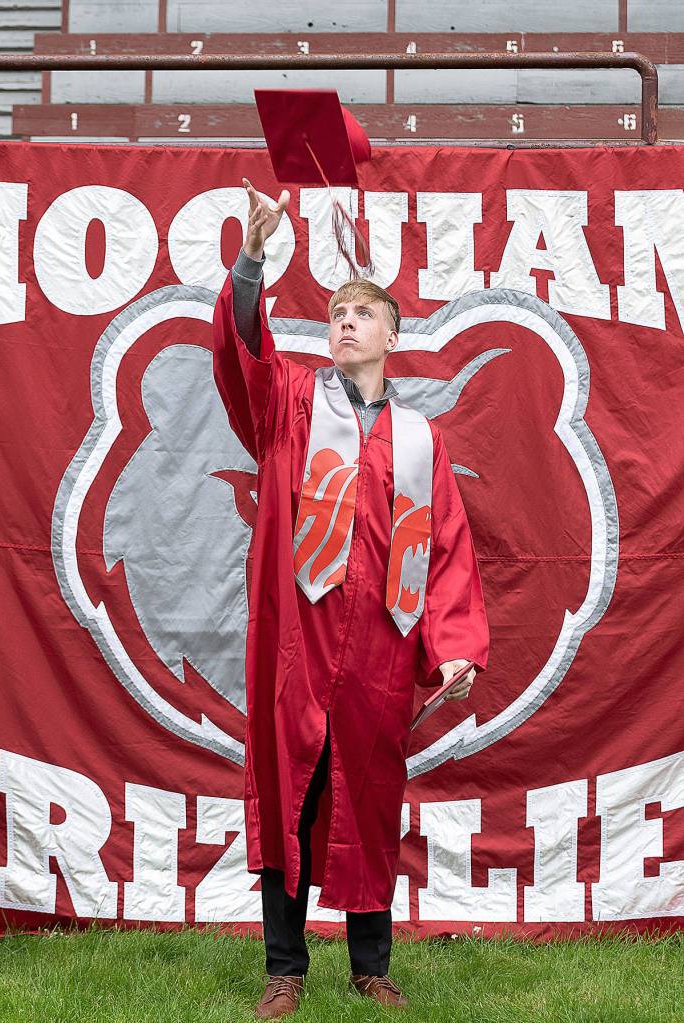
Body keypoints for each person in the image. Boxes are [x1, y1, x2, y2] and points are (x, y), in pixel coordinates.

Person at [211, 179, 490, 1019]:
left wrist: (452, 644)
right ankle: (283, 968)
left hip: (375, 648)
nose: (343, 320)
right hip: (297, 639)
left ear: (392, 337)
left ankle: (370, 964)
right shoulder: (295, 404)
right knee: (287, 792)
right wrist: (254, 258)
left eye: (361, 313)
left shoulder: (420, 441)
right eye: (335, 311)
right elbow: (241, 358)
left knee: (368, 798)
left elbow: (445, 547)